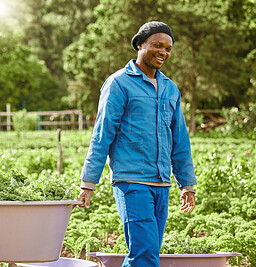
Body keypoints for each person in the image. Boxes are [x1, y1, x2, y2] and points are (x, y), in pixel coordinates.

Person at [77, 21, 197, 267]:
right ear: (140, 44)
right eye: (157, 45)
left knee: (146, 253)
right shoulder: (119, 84)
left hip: (162, 184)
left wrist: (187, 184)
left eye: (168, 48)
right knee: (144, 254)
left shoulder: (170, 89)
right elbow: (102, 134)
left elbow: (180, 141)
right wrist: (88, 182)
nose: (163, 52)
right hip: (131, 182)